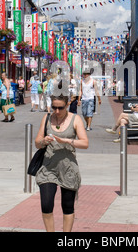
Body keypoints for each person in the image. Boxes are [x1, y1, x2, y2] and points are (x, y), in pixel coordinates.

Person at [34, 94, 89, 232]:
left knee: (67, 206)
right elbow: (37, 143)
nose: (57, 111)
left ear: (67, 104)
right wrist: (43, 141)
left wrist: (65, 141)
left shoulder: (75, 119)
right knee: (46, 205)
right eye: (54, 107)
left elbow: (85, 143)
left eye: (60, 108)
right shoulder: (47, 118)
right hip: (48, 167)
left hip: (68, 167)